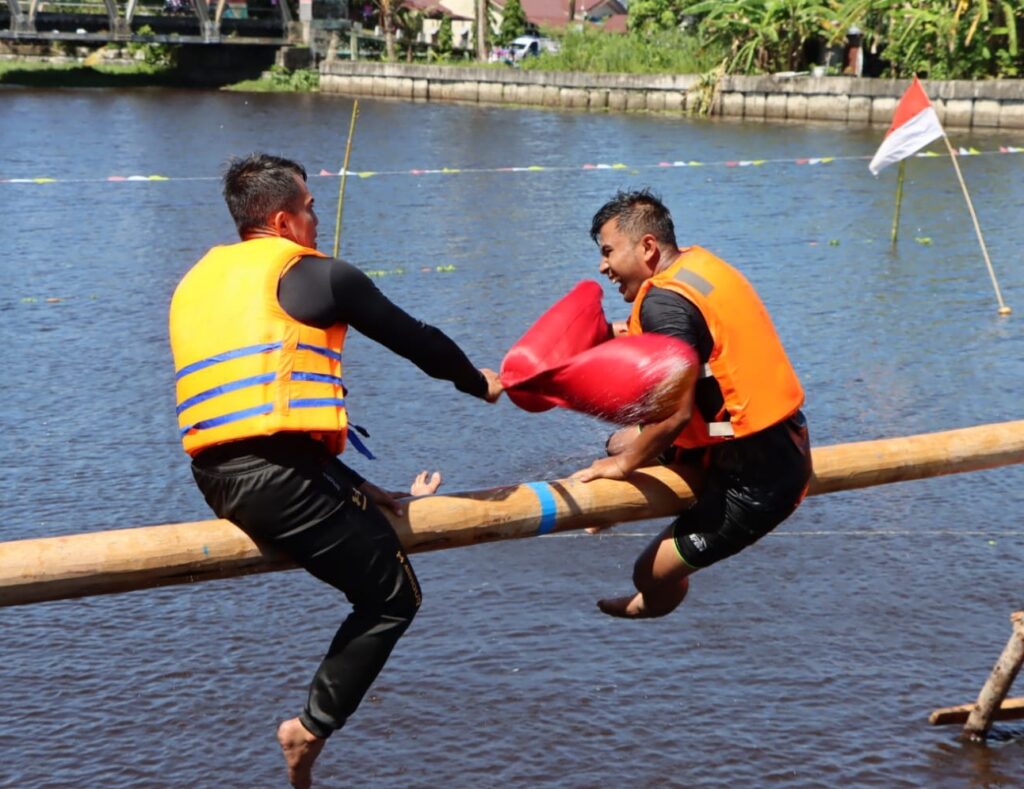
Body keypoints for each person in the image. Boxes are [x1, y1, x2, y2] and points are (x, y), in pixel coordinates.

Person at [168, 153, 502, 788]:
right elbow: (419, 340)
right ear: (283, 220)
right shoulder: (320, 277)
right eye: (310, 205)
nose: (317, 216)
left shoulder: (197, 280)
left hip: (219, 476)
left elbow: (261, 420)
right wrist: (477, 381)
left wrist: (360, 490)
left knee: (378, 523)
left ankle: (368, 499)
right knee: (393, 597)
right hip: (278, 480)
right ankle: (309, 727)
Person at [573, 189, 812, 619]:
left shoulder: (665, 302)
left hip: (760, 478)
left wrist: (625, 467)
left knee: (647, 571)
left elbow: (677, 413)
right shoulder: (694, 270)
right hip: (737, 439)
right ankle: (610, 506)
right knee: (616, 441)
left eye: (608, 252)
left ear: (647, 246)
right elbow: (677, 339)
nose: (602, 266)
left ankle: (651, 600)